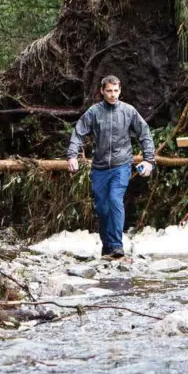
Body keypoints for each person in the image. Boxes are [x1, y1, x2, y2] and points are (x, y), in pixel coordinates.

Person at [67, 75, 155, 259]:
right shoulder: (94, 112)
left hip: (121, 165)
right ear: (102, 91)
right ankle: (107, 247)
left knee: (115, 200)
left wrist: (149, 160)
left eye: (116, 91)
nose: (113, 94)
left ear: (120, 90)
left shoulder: (128, 111)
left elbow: (144, 134)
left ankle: (117, 245)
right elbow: (78, 133)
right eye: (109, 91)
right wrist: (72, 155)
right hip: (99, 168)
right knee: (102, 208)